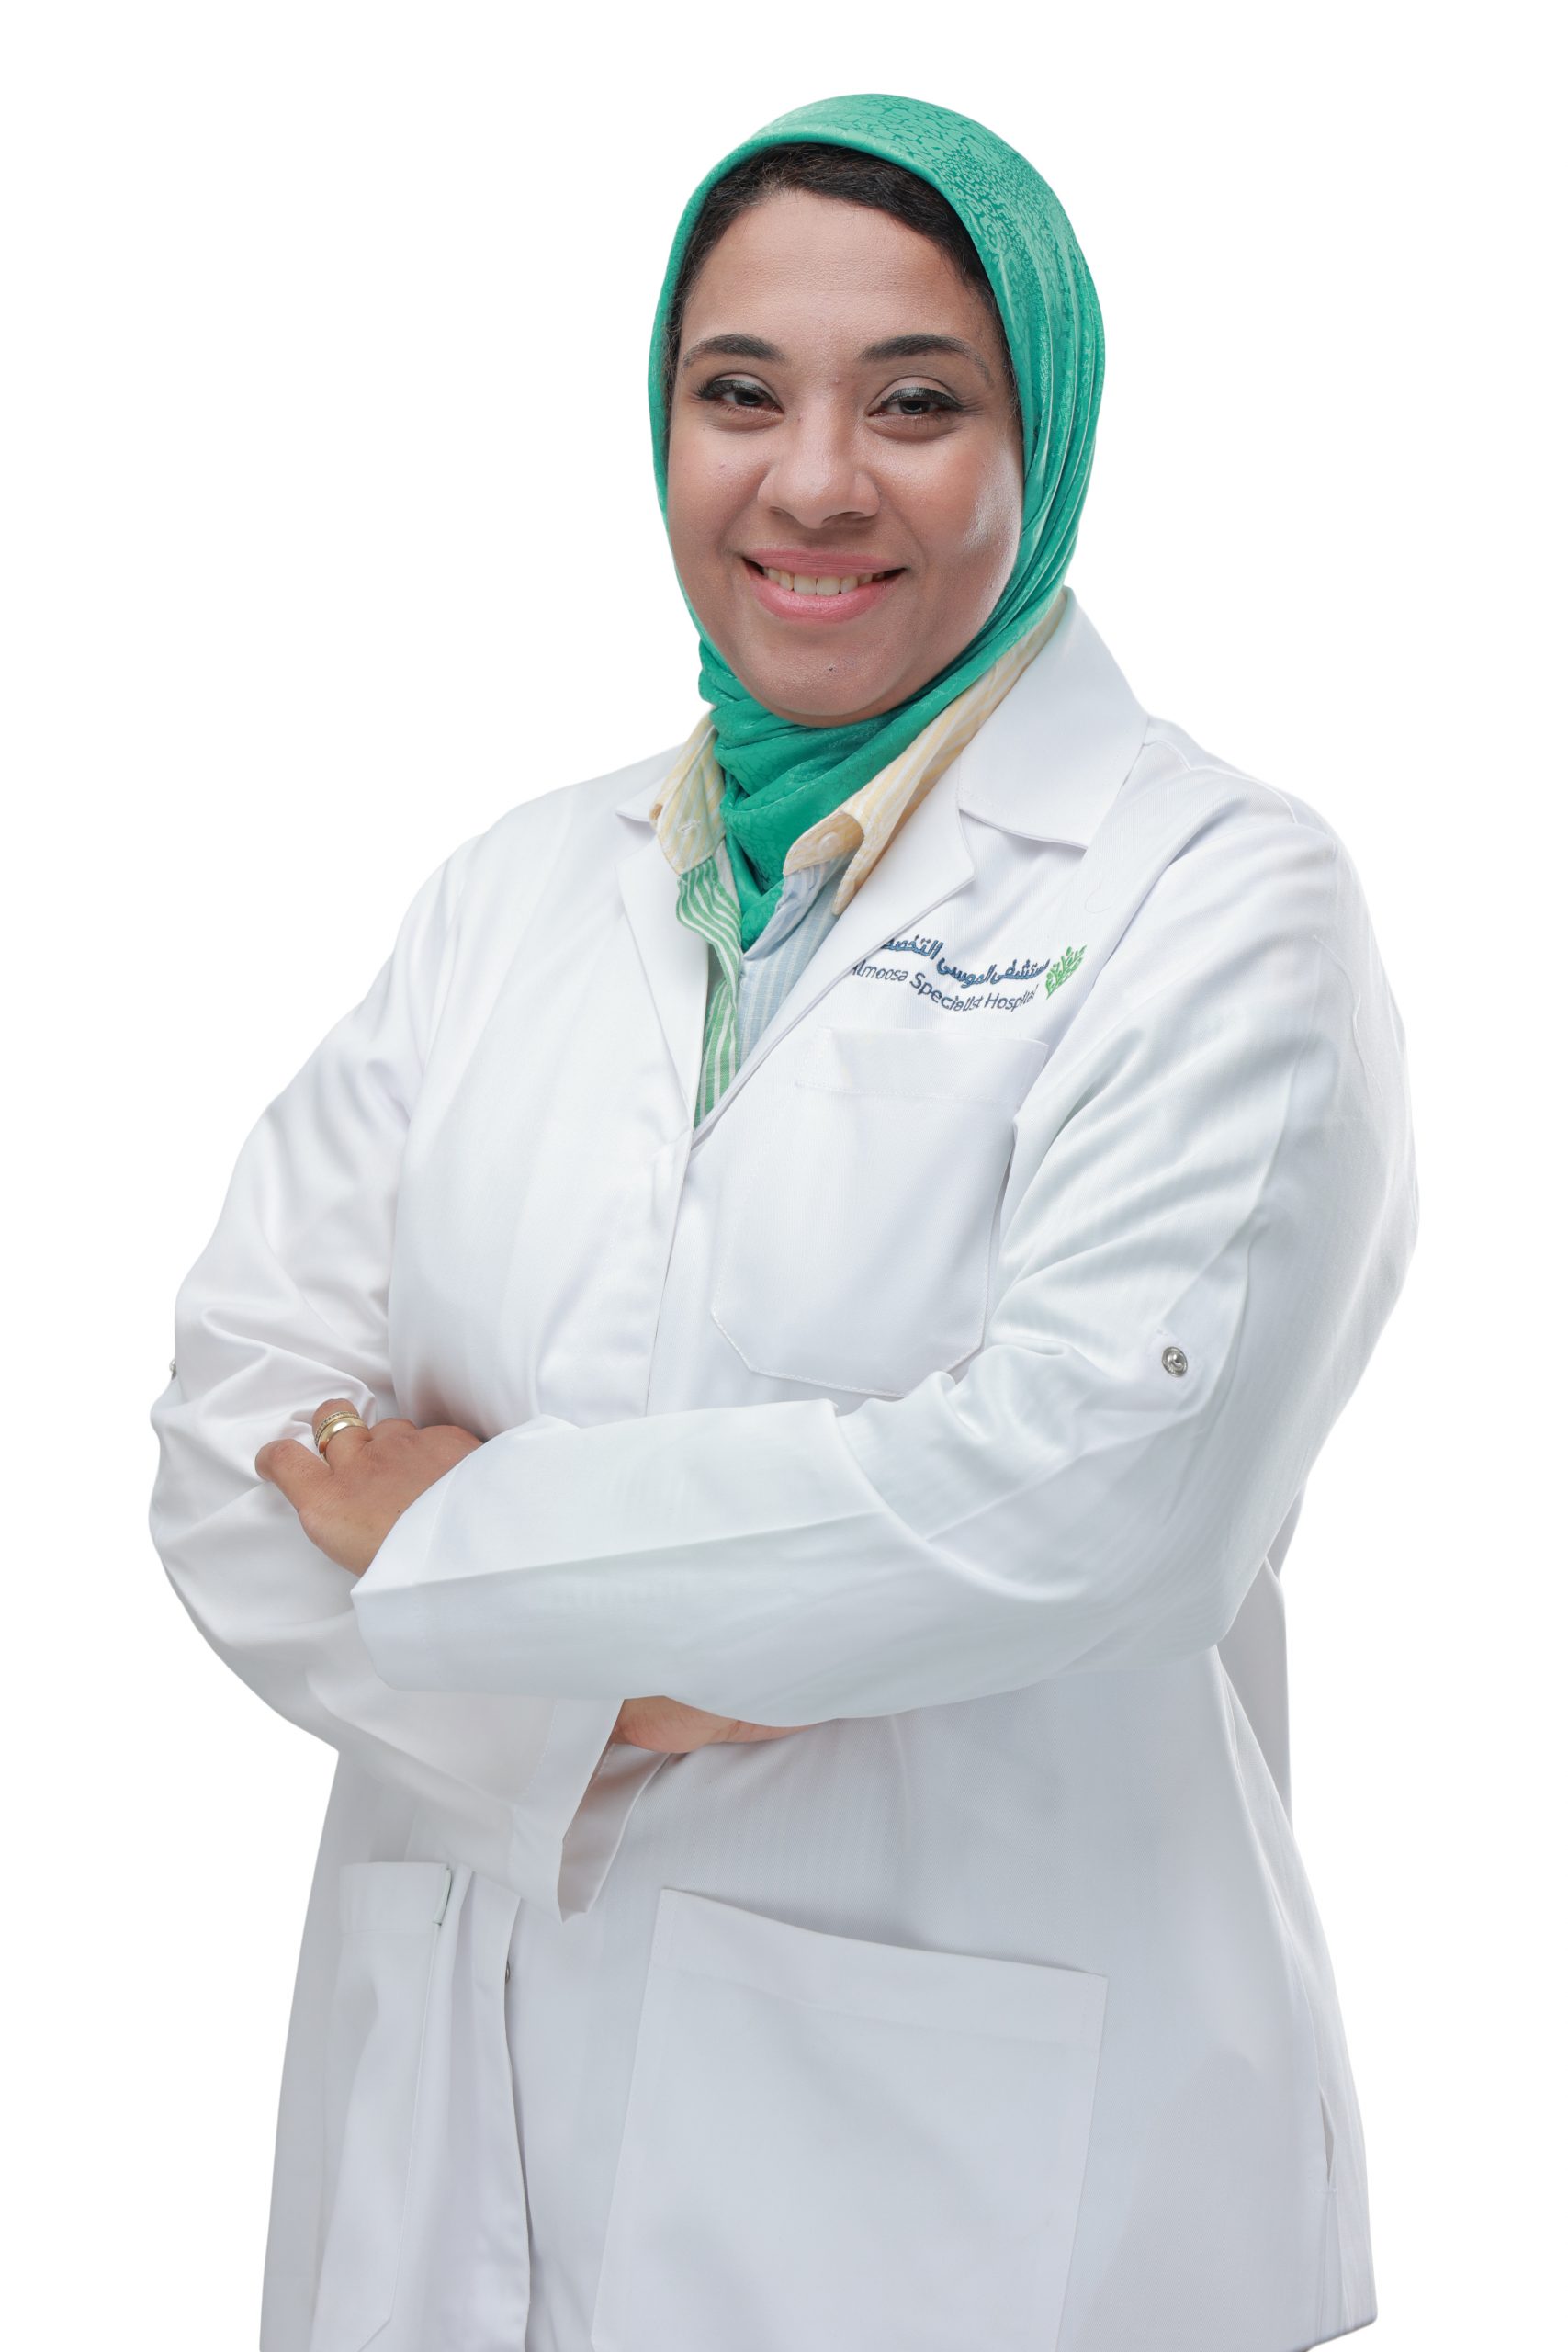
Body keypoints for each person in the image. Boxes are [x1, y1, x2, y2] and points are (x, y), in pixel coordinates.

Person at [148, 91, 1416, 2352]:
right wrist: (624, 1686)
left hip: (964, 2189)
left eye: (913, 404)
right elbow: (231, 1439)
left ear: (1044, 439)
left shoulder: (1211, 899)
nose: (811, 482)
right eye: (737, 394)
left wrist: (452, 1538)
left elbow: (1085, 1497)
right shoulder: (512, 892)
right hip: (436, 2150)